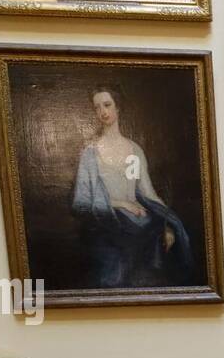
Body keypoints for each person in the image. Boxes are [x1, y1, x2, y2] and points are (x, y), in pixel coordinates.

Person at [71, 87, 194, 289]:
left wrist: (167, 225)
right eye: (97, 107)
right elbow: (81, 204)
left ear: (118, 107)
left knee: (155, 265)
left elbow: (148, 194)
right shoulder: (89, 154)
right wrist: (121, 204)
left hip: (138, 226)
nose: (103, 111)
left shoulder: (134, 150)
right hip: (106, 227)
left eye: (107, 104)